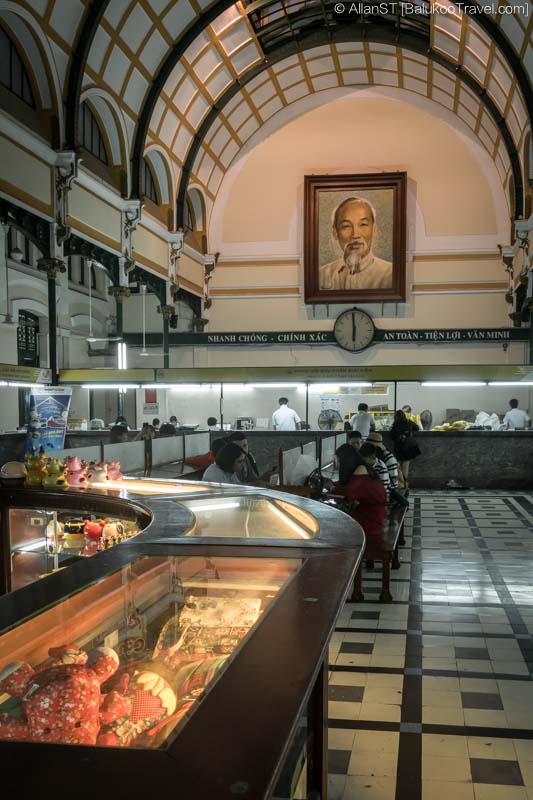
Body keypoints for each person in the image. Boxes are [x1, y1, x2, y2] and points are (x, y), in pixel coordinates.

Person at [319, 197, 392, 291]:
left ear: (374, 230)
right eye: (346, 226)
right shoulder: (322, 275)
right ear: (335, 232)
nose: (355, 235)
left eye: (363, 224)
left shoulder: (390, 274)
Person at [334, 443, 387, 538]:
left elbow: (349, 494)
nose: (336, 463)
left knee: (337, 525)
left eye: (338, 459)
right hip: (371, 512)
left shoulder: (361, 469)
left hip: (372, 518)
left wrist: (331, 487)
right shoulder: (361, 467)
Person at [390, 409, 420, 481]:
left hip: (399, 447)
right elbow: (417, 428)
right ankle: (404, 482)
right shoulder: (409, 422)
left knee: (399, 465)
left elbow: (392, 436)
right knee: (406, 465)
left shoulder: (395, 424)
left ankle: (399, 482)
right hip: (408, 446)